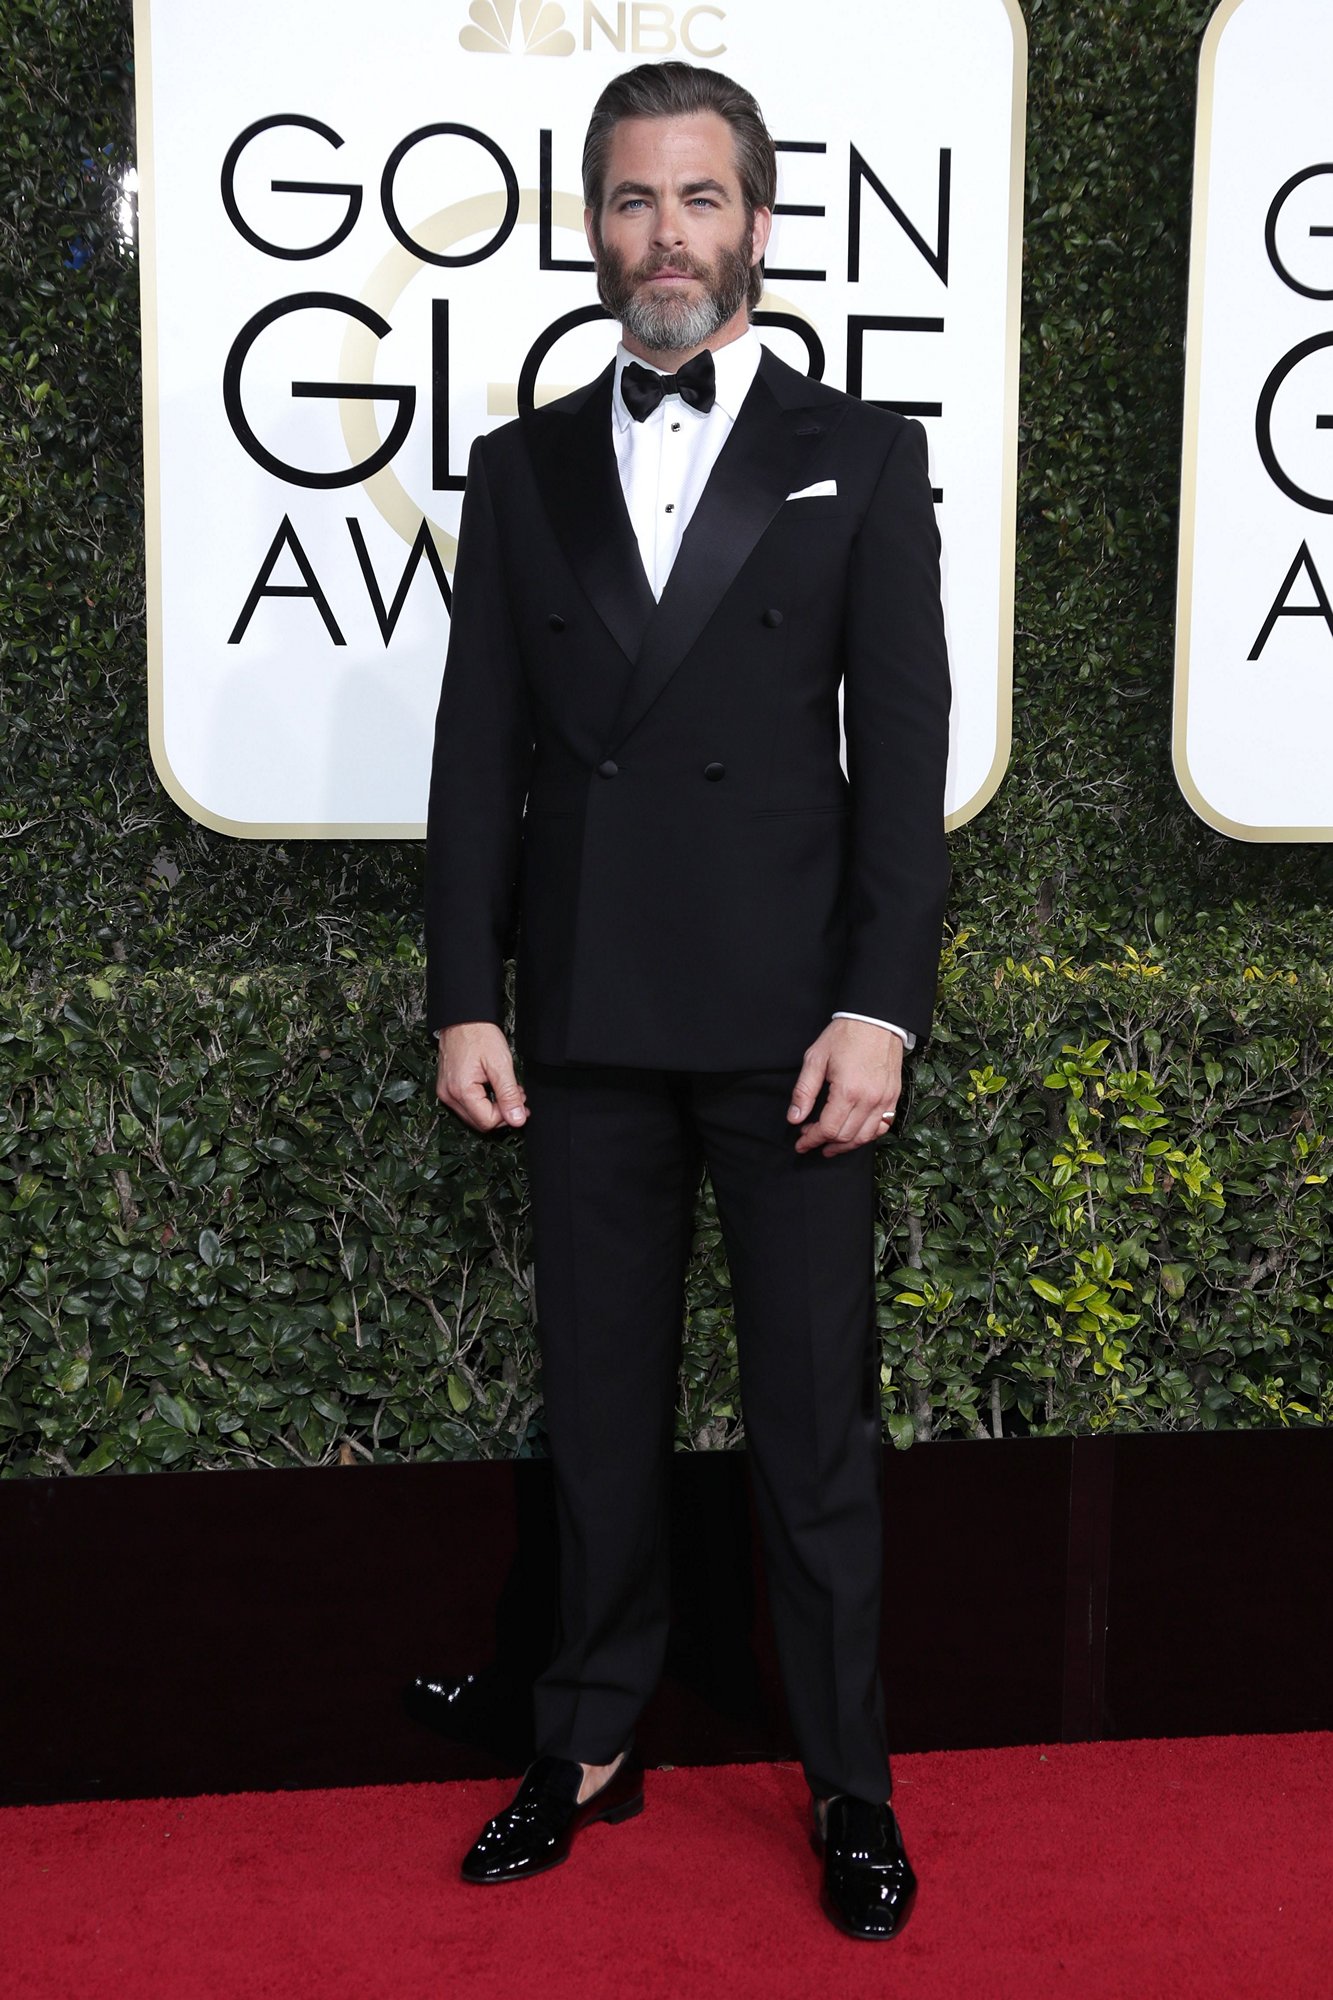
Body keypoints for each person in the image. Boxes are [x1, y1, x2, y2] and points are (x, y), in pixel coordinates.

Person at [424, 59, 951, 1940]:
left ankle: (849, 1782)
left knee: (812, 1434)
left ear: (757, 224)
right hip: (578, 1016)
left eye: (699, 198)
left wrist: (879, 1007)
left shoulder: (859, 453)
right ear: (593, 227)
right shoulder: (522, 467)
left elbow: (902, 760)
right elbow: (475, 752)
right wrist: (465, 995)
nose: (667, 236)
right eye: (634, 200)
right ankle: (585, 1743)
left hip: (791, 1027)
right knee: (596, 1411)